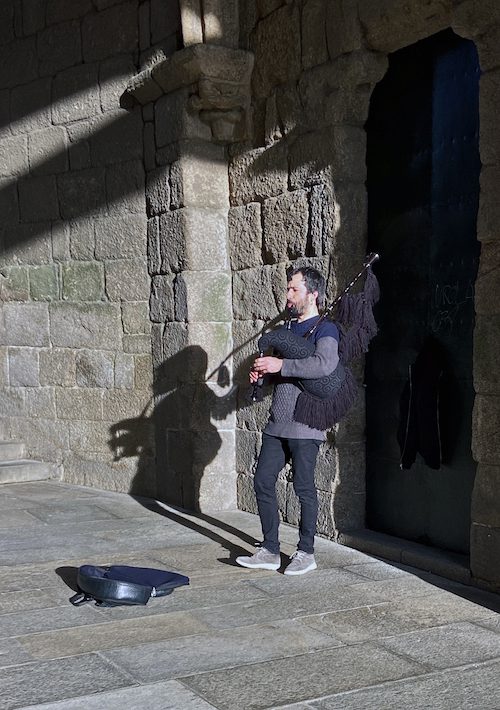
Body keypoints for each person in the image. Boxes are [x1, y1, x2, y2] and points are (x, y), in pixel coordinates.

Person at [236, 266, 339, 575]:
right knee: (263, 481)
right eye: (288, 289)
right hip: (277, 422)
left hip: (305, 424)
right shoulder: (290, 330)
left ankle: (306, 553)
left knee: (304, 488)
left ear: (313, 294)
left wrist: (280, 364)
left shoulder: (326, 329)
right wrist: (262, 375)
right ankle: (269, 550)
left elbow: (324, 365)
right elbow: (280, 374)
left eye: (294, 289)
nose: (288, 295)